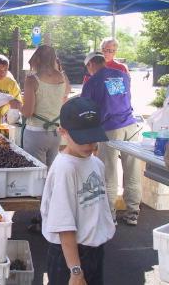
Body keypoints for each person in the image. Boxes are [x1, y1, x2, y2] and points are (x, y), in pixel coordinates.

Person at [41, 97, 115, 285]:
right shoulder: (65, 169)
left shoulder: (96, 164)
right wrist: (75, 271)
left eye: (93, 137)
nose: (89, 145)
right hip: (70, 256)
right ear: (62, 132)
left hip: (94, 249)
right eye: (83, 138)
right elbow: (64, 226)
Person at [81, 51, 141, 226]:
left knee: (108, 173)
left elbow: (85, 109)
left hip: (110, 129)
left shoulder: (92, 82)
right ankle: (133, 213)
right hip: (131, 126)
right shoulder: (122, 75)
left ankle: (110, 215)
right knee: (132, 170)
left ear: (90, 64)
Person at [19, 45, 69, 167]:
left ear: (37, 59)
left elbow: (27, 113)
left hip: (35, 133)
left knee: (37, 175)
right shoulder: (63, 77)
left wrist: (17, 104)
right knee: (51, 173)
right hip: (55, 133)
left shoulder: (32, 79)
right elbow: (65, 95)